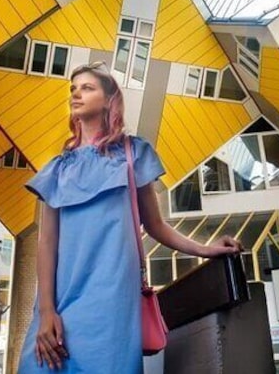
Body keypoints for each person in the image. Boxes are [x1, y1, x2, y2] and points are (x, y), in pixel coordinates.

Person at [16, 62, 243, 373]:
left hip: (113, 301)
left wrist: (207, 249)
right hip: (62, 302)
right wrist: (45, 311)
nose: (76, 94)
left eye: (87, 87)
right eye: (73, 89)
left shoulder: (133, 153)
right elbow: (46, 243)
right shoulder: (57, 169)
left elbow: (156, 226)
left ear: (109, 99)